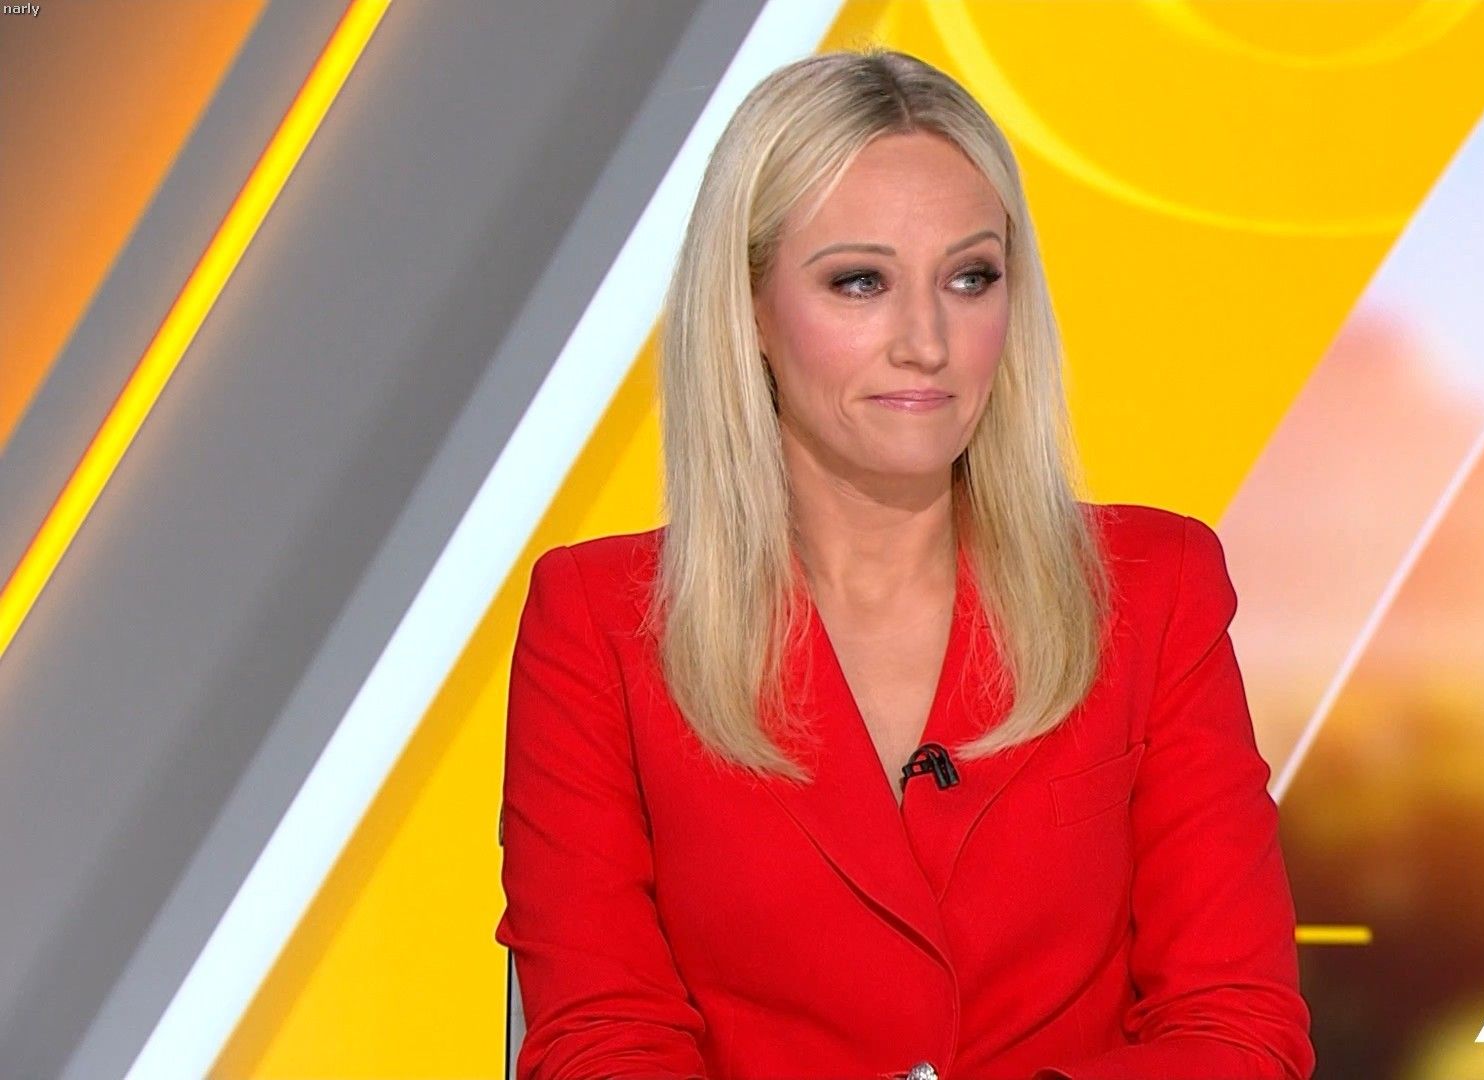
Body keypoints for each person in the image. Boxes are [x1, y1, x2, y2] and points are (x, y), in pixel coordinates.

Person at [495, 46, 1315, 1080]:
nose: (927, 341)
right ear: (750, 309)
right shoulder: (598, 624)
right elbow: (603, 1044)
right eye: (860, 283)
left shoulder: (1155, 588)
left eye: (970, 278)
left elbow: (1238, 1033)